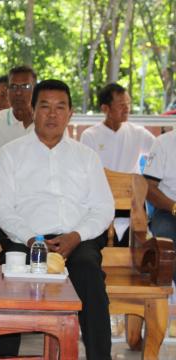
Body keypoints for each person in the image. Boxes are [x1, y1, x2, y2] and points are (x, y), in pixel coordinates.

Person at [0, 80, 114, 360]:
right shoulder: (10, 154)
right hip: (25, 239)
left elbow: (103, 207)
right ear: (33, 110)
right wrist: (33, 239)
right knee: (12, 274)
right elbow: (3, 209)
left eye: (60, 107)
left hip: (76, 239)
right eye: (45, 106)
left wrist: (77, 235)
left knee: (88, 272)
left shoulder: (86, 157)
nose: (52, 114)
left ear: (70, 113)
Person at [81, 83, 154, 246]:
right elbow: (87, 174)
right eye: (121, 105)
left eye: (128, 104)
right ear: (105, 109)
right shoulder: (90, 136)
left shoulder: (138, 133)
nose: (127, 108)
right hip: (102, 201)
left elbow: (158, 152)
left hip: (132, 202)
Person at [143, 129, 176, 284]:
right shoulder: (164, 143)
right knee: (166, 242)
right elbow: (149, 188)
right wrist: (174, 207)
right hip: (169, 210)